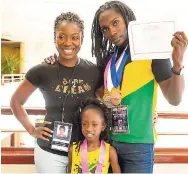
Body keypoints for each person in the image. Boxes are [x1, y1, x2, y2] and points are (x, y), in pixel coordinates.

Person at [90, 1, 187, 173]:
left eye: (115, 23)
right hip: (109, 142)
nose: (111, 32)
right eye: (105, 28)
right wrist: (106, 98)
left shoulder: (152, 52)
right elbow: (98, 93)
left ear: (127, 19)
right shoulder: (107, 59)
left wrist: (178, 64)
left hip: (139, 146)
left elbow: (174, 99)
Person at [10, 12, 102, 173]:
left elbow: (107, 100)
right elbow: (16, 102)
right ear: (54, 38)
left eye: (74, 37)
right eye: (61, 36)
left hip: (84, 149)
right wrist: (32, 129)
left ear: (81, 39)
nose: (68, 43)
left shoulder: (93, 71)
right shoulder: (42, 71)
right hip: (49, 152)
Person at [68, 98, 121, 173]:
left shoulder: (110, 151)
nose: (89, 129)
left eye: (94, 124)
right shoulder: (73, 149)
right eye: (84, 124)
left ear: (103, 126)